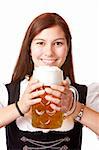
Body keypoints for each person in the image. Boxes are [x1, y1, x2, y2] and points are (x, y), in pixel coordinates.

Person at [0, 12, 99, 150]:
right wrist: (20, 107)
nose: (49, 52)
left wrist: (74, 108)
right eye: (40, 43)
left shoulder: (83, 93)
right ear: (29, 48)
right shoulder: (7, 93)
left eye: (58, 43)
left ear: (68, 48)